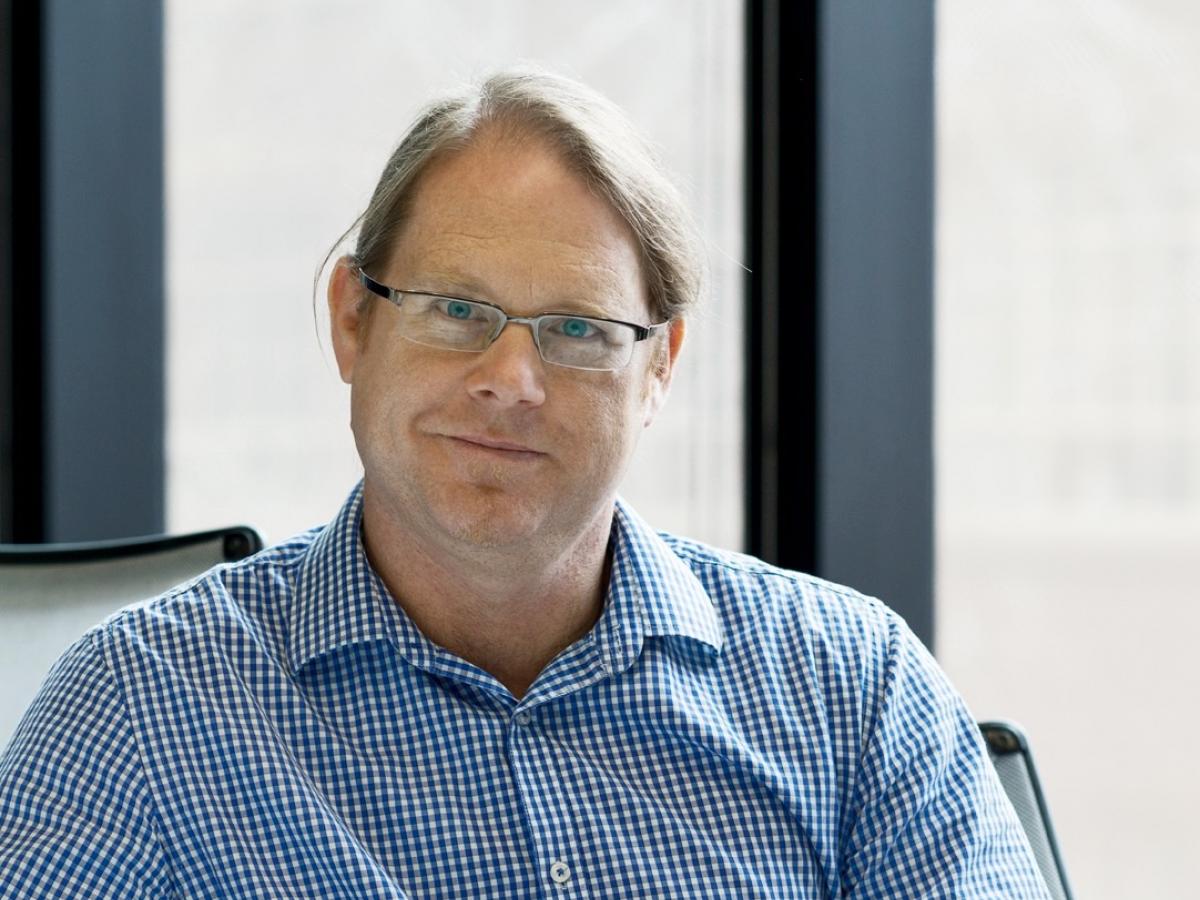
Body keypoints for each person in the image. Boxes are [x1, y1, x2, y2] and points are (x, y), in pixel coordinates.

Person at [0, 70, 1050, 898]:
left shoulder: (853, 691)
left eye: (578, 330)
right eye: (455, 309)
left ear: (659, 369)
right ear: (352, 321)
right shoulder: (140, 716)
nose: (511, 380)